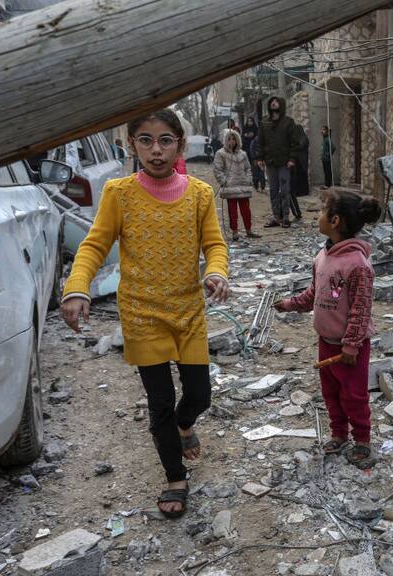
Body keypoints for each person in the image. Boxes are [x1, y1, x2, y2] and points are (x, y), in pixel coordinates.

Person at [60, 108, 229, 519]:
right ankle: (175, 477)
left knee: (199, 395)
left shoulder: (200, 194)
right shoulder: (119, 194)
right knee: (160, 402)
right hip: (142, 314)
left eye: (165, 140)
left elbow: (215, 246)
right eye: (146, 140)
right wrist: (77, 287)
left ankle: (185, 425)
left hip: (188, 312)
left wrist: (217, 273)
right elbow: (93, 246)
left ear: (180, 145)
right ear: (132, 144)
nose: (156, 150)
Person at [274, 190, 382, 469]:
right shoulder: (323, 255)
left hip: (350, 348)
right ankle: (339, 434)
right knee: (331, 393)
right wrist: (289, 304)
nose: (317, 216)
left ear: (335, 220)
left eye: (322, 212)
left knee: (354, 395)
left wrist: (350, 345)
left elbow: (360, 310)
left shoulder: (358, 265)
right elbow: (316, 294)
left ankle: (362, 440)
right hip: (326, 341)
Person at [257, 96, 300, 228]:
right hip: (270, 162)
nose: (274, 104)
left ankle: (286, 217)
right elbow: (261, 142)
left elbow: (295, 142)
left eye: (276, 102)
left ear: (281, 104)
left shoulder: (288, 122)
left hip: (284, 162)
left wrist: (292, 159)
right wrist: (260, 158)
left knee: (285, 190)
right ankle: (276, 217)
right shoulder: (265, 123)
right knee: (273, 191)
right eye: (272, 102)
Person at [213, 129, 261, 241]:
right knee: (232, 211)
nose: (231, 141)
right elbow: (217, 170)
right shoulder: (221, 154)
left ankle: (249, 230)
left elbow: (248, 168)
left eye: (233, 138)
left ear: (237, 140)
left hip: (243, 185)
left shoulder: (243, 154)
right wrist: (225, 181)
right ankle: (235, 232)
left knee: (246, 210)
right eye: (229, 139)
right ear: (225, 140)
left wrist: (248, 179)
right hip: (230, 187)